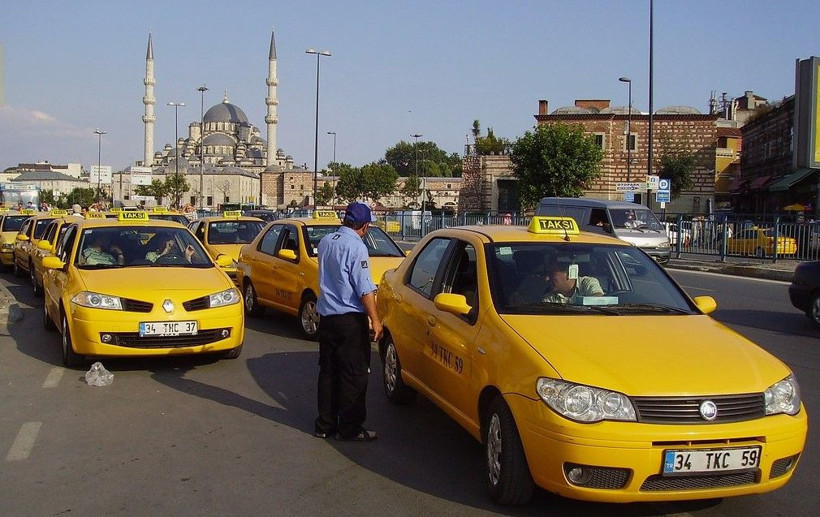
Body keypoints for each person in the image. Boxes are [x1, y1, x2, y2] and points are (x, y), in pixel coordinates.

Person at [314, 202, 383, 442]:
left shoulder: (326, 242)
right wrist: (375, 320)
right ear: (364, 226)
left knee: (329, 372)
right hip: (349, 319)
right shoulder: (357, 247)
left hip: (327, 318)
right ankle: (350, 428)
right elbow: (364, 288)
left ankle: (325, 425)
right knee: (354, 374)